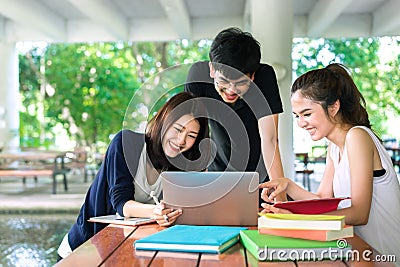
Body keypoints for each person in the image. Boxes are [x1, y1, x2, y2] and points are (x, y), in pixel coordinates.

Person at [259, 63, 400, 257]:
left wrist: (296, 220)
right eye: (297, 116)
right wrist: (288, 186)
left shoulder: (357, 136)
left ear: (333, 107)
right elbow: (323, 200)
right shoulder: (334, 147)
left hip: (386, 258)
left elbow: (359, 213)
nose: (301, 123)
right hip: (360, 254)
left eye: (307, 114)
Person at [57, 92, 209, 260]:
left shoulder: (179, 165)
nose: (181, 140)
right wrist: (156, 212)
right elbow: (121, 204)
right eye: (178, 129)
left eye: (191, 136)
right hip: (85, 248)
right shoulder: (126, 143)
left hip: (125, 251)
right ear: (164, 121)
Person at [185, 27, 285, 201]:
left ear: (252, 76)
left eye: (240, 83)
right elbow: (193, 133)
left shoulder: (264, 77)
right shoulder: (198, 76)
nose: (231, 90)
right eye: (223, 81)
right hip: (217, 177)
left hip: (260, 179)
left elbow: (269, 139)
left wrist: (280, 196)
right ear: (212, 70)